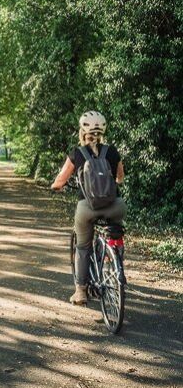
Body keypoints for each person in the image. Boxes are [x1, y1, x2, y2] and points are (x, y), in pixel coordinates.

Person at [51, 111, 126, 305]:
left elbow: (61, 179)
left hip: (88, 207)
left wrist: (56, 186)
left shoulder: (77, 153)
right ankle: (116, 265)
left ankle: (81, 292)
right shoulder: (112, 151)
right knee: (115, 233)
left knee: (83, 247)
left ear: (82, 132)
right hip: (115, 206)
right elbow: (120, 177)